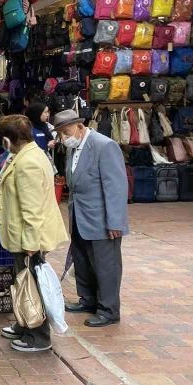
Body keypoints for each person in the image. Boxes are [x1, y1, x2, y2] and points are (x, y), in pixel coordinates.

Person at [0, 115, 68, 352]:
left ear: (9, 139)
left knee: (32, 284)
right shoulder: (24, 155)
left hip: (30, 237)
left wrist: (31, 243)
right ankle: (25, 322)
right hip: (22, 234)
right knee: (22, 281)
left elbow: (32, 209)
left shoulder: (29, 162)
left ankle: (38, 336)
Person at [54, 109, 128, 328]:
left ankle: (109, 310)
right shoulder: (74, 147)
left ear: (80, 126)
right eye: (60, 134)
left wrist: (115, 221)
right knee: (83, 261)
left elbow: (116, 187)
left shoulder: (104, 146)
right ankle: (88, 299)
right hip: (80, 215)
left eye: (66, 132)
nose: (63, 138)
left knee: (106, 265)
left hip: (102, 219)